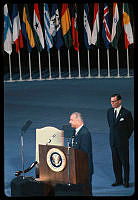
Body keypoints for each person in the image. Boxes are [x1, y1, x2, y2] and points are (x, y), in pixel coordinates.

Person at [107, 94, 134, 188]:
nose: (112, 103)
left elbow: (131, 128)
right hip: (113, 142)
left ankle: (126, 181)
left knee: (124, 162)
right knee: (115, 162)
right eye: (111, 101)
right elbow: (111, 125)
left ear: (119, 101)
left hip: (122, 142)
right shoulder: (109, 112)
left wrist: (124, 138)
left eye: (114, 101)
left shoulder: (127, 113)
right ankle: (118, 180)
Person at [69, 112, 94, 195]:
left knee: (86, 192)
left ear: (78, 120)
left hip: (84, 170)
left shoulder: (85, 133)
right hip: (77, 169)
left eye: (71, 120)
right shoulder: (76, 131)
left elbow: (84, 154)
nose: (70, 122)